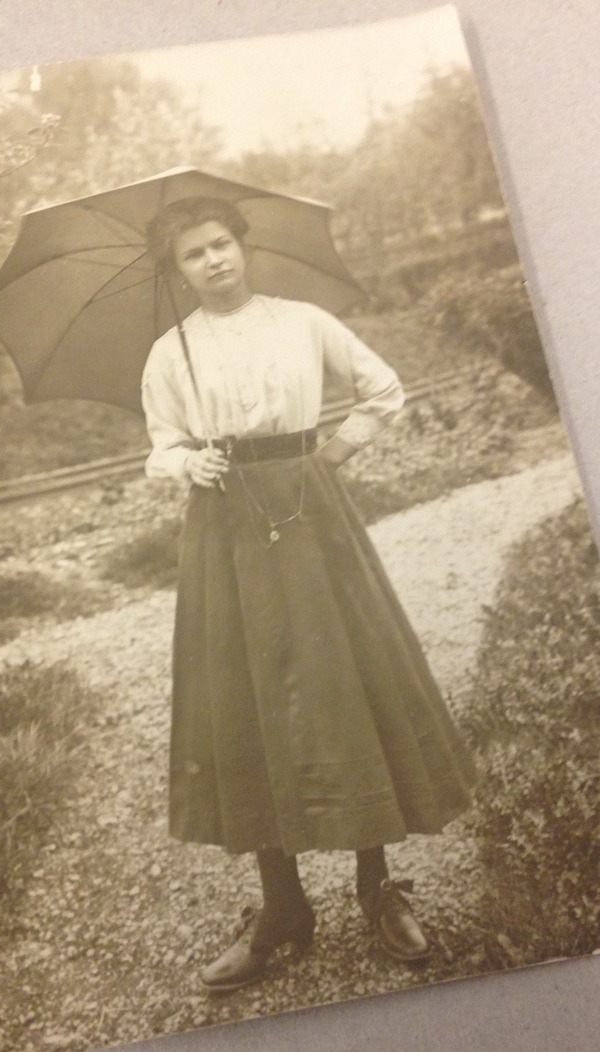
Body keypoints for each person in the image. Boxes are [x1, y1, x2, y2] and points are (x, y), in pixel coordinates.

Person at [140, 196, 477, 992]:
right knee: (247, 697)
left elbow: (383, 389)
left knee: (343, 680)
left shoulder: (303, 321)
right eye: (194, 254)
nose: (214, 261)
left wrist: (332, 456)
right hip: (224, 524)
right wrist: (190, 464)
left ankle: (375, 887)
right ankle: (282, 907)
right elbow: (160, 443)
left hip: (311, 508)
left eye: (222, 244)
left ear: (243, 246)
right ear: (176, 269)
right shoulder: (169, 353)